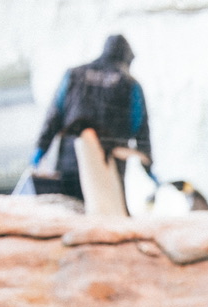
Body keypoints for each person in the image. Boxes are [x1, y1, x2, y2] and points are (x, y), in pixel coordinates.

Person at [31, 34, 152, 200]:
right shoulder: (130, 85)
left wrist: (40, 150)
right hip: (108, 165)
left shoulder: (73, 75)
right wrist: (148, 165)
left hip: (71, 160)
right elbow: (140, 128)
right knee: (104, 216)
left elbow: (54, 117)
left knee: (69, 211)